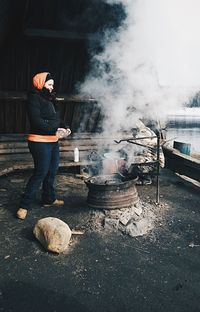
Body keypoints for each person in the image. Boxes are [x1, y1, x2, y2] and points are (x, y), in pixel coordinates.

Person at [17, 72, 71, 220]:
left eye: (52, 84)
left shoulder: (50, 99)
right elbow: (36, 121)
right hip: (39, 141)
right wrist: (55, 130)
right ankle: (24, 205)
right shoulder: (34, 98)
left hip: (53, 141)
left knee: (52, 171)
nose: (52, 87)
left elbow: (56, 119)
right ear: (41, 83)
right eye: (49, 84)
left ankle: (48, 199)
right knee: (41, 172)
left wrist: (65, 127)